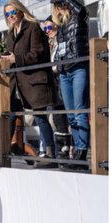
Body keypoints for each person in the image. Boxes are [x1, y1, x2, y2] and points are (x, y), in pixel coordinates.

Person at [0, 0, 58, 168]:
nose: (10, 16)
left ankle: (50, 154)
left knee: (40, 117)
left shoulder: (33, 28)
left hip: (34, 80)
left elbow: (37, 54)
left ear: (20, 11)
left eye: (13, 12)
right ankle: (3, 152)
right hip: (17, 82)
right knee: (9, 115)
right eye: (7, 14)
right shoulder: (11, 33)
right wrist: (3, 58)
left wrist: (14, 59)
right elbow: (11, 55)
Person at [51, 0, 90, 170]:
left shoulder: (79, 18)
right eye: (58, 5)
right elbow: (61, 49)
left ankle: (82, 152)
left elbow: (81, 10)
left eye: (63, 3)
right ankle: (77, 153)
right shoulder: (60, 27)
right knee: (71, 114)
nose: (61, 7)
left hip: (78, 67)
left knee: (80, 110)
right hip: (65, 71)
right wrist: (59, 66)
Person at [44, 15, 73, 163]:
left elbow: (60, 63)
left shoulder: (62, 42)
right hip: (53, 85)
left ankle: (70, 148)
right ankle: (62, 149)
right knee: (56, 118)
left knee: (67, 116)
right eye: (45, 28)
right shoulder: (49, 44)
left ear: (56, 27)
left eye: (49, 27)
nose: (47, 31)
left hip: (62, 81)